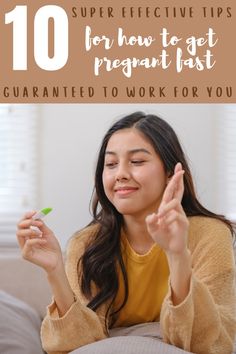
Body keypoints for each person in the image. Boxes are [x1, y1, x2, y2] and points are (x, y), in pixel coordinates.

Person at [16, 112, 236, 354]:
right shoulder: (86, 244)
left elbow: (211, 343)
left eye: (137, 161)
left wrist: (178, 256)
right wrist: (55, 270)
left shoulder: (210, 235)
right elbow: (73, 345)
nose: (120, 173)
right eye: (110, 164)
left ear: (171, 174)